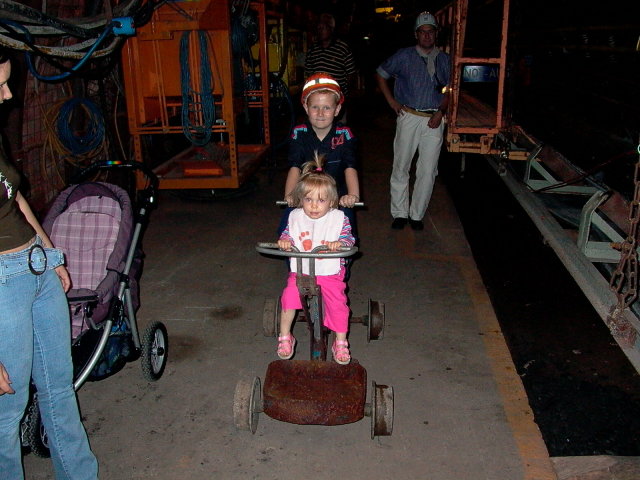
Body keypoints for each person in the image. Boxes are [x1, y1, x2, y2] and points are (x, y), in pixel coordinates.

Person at [0, 49, 99, 479]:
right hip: (3, 286)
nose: (7, 95)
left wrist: (51, 253)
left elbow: (15, 197)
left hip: (36, 270)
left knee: (59, 390)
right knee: (7, 407)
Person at [276, 154, 356, 365]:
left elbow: (348, 238)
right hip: (301, 271)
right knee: (288, 297)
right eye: (308, 199)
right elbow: (287, 234)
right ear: (301, 199)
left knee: (338, 305)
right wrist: (284, 241)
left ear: (331, 202)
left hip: (329, 272)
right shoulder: (295, 217)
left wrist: (340, 243)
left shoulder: (339, 219)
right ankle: (285, 337)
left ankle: (340, 341)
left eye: (320, 200)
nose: (313, 206)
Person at [375, 11, 450, 231]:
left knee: (428, 170)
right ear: (416, 34)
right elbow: (380, 74)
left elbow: (451, 88)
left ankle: (416, 214)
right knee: (401, 165)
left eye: (431, 31)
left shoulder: (445, 59)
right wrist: (392, 103)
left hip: (434, 119)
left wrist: (441, 111)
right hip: (409, 116)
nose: (427, 36)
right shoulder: (404, 56)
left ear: (436, 34)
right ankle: (399, 213)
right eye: (422, 32)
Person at [280, 72, 360, 238]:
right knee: (288, 228)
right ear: (305, 107)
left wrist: (353, 195)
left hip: (337, 197)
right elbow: (295, 167)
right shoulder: (299, 133)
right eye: (315, 107)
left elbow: (350, 167)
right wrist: (289, 196)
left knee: (346, 231)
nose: (321, 113)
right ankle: (293, 258)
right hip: (307, 195)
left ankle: (342, 261)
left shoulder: (345, 134)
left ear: (337, 109)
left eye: (327, 108)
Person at [304, 13, 357, 120]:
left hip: (336, 100)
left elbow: (351, 74)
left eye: (323, 28)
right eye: (318, 28)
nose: (320, 31)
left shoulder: (342, 48)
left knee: (338, 130)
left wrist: (344, 96)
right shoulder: (313, 49)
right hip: (317, 99)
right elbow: (308, 74)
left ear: (331, 29)